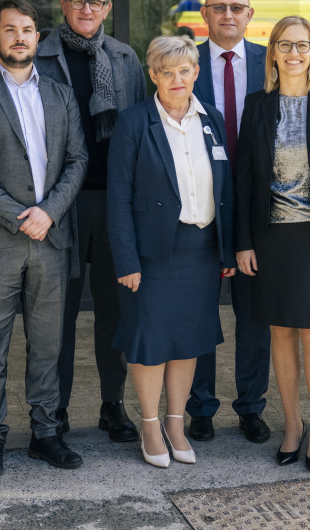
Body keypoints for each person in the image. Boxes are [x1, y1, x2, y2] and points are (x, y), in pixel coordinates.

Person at [0, 0, 88, 475]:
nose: (18, 37)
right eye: (9, 29)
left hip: (52, 238)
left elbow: (78, 160)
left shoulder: (60, 94)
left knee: (48, 343)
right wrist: (19, 216)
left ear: (38, 37)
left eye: (27, 29)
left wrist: (48, 212)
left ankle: (45, 433)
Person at [234, 16, 310, 472]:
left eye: (303, 45)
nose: (293, 53)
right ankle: (291, 424)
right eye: (284, 45)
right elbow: (245, 179)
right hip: (271, 237)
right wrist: (243, 242)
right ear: (272, 53)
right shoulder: (256, 106)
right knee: (280, 334)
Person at [107, 35, 236, 468]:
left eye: (184, 70)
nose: (177, 79)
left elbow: (226, 190)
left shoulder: (211, 119)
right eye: (167, 71)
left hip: (201, 252)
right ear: (153, 76)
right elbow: (118, 197)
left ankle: (176, 423)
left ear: (196, 72)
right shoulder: (133, 121)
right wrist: (125, 260)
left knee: (187, 342)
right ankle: (149, 425)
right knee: (150, 342)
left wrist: (227, 251)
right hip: (152, 254)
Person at [35, 0, 146, 442]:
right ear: (63, 5)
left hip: (114, 204)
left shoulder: (124, 58)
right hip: (59, 205)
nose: (86, 9)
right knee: (55, 315)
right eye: (78, 1)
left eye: (96, 2)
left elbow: (142, 130)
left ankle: (111, 405)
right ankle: (53, 411)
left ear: (108, 8)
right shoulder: (39, 56)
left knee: (114, 312)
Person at [187, 0, 271, 444]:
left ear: (249, 14)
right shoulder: (187, 61)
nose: (227, 15)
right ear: (205, 14)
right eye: (218, 8)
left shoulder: (271, 61)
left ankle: (251, 407)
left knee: (253, 315)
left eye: (236, 8)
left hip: (258, 207)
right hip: (200, 203)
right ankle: (200, 406)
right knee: (201, 311)